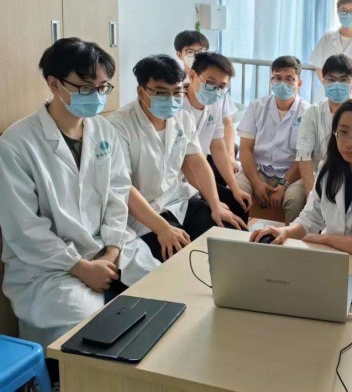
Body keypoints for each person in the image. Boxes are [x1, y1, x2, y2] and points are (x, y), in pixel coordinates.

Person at [0, 38, 158, 349]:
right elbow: (24, 229)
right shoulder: (17, 144)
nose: (96, 96)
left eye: (103, 87)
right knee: (83, 322)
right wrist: (80, 267)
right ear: (54, 83)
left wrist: (112, 250)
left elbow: (117, 194)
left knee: (159, 286)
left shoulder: (104, 131)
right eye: (86, 87)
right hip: (48, 267)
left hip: (106, 248)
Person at [110, 55, 246, 262]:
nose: (171, 99)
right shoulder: (119, 126)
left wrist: (215, 204)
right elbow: (124, 187)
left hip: (178, 202)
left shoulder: (182, 117)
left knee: (229, 233)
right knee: (180, 256)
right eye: (161, 93)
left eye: (177, 92)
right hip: (144, 215)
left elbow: (197, 162)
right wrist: (162, 228)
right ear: (141, 91)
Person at [251, 98, 352, 260]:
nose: (349, 143)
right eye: (343, 132)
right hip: (331, 259)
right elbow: (309, 219)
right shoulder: (328, 170)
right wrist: (284, 231)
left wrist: (327, 239)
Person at [236, 56, 310, 224]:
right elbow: (245, 149)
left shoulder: (308, 113)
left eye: (289, 79)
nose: (282, 83)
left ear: (299, 83)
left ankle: (291, 240)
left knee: (295, 201)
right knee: (236, 193)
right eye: (277, 78)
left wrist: (283, 185)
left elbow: (303, 157)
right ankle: (234, 236)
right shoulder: (257, 106)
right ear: (271, 81)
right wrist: (256, 183)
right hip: (259, 170)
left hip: (292, 175)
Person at [182, 51, 251, 220]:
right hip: (179, 180)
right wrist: (211, 200)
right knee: (214, 216)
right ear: (192, 76)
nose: (216, 90)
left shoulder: (214, 103)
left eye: (221, 86)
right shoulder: (177, 106)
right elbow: (186, 163)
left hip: (198, 173)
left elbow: (218, 147)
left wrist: (234, 188)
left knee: (239, 204)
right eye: (210, 83)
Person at [174, 30, 239, 172]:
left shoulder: (218, 88)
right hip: (185, 158)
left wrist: (230, 156)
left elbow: (227, 123)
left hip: (209, 149)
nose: (196, 56)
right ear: (179, 55)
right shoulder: (175, 88)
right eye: (190, 52)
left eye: (201, 51)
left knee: (232, 150)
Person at [296, 54, 352, 195]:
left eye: (343, 80)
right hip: (317, 178)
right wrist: (311, 194)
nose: (337, 84)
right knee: (295, 199)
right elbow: (303, 155)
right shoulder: (312, 113)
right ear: (323, 82)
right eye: (331, 79)